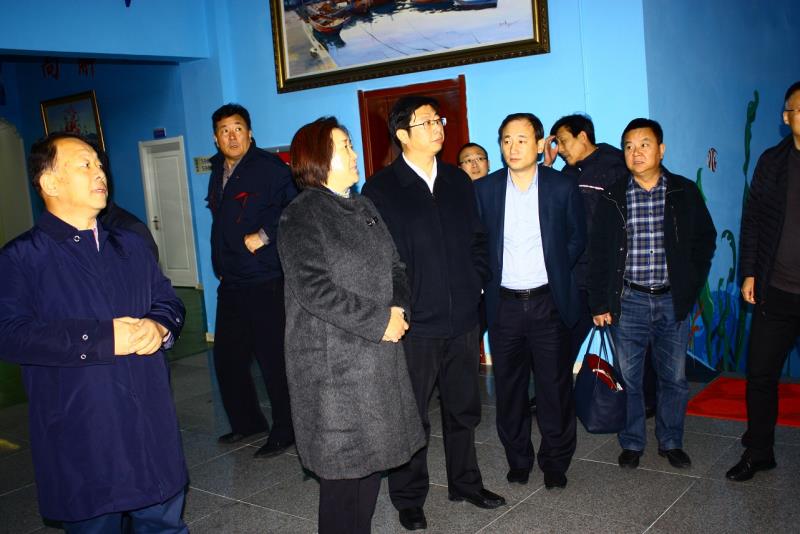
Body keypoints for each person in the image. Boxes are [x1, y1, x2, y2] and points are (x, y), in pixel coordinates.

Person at [0, 132, 187, 532]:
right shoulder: (21, 258)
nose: (100, 172)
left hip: (150, 423)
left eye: (99, 164)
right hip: (84, 432)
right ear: (49, 183)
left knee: (164, 524)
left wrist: (159, 326)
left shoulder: (130, 245)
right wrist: (102, 339)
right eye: (85, 164)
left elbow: (168, 301)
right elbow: (11, 334)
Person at [362, 95, 505, 531]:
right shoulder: (381, 189)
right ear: (402, 134)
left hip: (462, 318)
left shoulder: (458, 181)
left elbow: (478, 239)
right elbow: (377, 260)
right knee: (412, 414)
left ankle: (466, 483)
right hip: (415, 325)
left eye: (437, 120)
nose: (437, 127)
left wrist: (476, 281)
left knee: (464, 408)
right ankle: (408, 498)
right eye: (426, 122)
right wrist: (397, 307)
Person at [278, 117, 425, 534]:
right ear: (318, 157)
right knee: (343, 477)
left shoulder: (363, 206)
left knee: (371, 465)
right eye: (344, 146)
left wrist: (398, 310)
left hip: (376, 358)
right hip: (333, 370)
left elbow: (396, 266)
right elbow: (313, 289)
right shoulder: (301, 215)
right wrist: (379, 321)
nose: (355, 153)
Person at [588, 118, 716, 470]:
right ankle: (632, 442)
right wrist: (599, 302)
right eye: (629, 146)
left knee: (674, 378)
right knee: (629, 378)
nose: (636, 152)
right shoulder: (613, 196)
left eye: (644, 144)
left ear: (661, 149)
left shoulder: (684, 192)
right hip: (628, 301)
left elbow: (705, 240)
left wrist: (690, 284)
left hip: (672, 300)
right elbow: (598, 253)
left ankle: (671, 441)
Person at [474, 113, 586, 489]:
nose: (513, 147)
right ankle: (518, 459)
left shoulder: (561, 186)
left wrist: (555, 268)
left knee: (554, 388)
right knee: (509, 389)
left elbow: (577, 236)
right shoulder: (485, 190)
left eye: (522, 139)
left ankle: (555, 461)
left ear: (539, 145)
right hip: (503, 305)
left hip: (547, 302)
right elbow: (477, 243)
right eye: (506, 140)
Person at [545, 114, 658, 418]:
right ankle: (554, 397)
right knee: (563, 340)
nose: (560, 149)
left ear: (583, 137)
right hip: (577, 275)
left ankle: (648, 399)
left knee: (629, 343)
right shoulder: (566, 173)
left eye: (563, 141)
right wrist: (548, 165)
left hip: (612, 276)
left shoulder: (615, 165)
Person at [205, 103, 297, 457]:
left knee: (272, 359)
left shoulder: (270, 168)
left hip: (264, 278)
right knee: (228, 358)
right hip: (231, 279)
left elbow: (294, 209)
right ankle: (247, 423)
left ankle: (286, 429)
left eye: (238, 128)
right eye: (224, 130)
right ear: (216, 138)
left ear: (250, 133)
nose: (232, 136)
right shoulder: (218, 169)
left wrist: (264, 235)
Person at [727, 81, 800, 482]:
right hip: (777, 290)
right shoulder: (772, 161)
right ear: (786, 117)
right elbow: (753, 218)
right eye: (797, 109)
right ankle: (760, 451)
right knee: (760, 375)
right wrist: (750, 272)